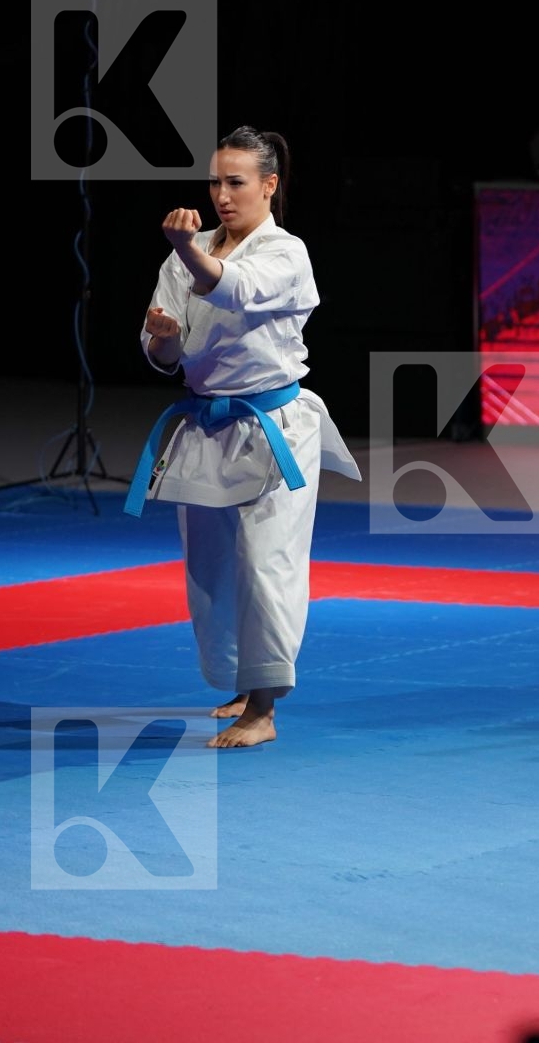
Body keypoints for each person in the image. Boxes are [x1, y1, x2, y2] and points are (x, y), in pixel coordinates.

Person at [128, 126, 362, 749]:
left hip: (273, 426)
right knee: (211, 569)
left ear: (269, 185)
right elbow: (162, 350)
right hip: (206, 426)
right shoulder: (189, 251)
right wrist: (164, 340)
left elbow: (234, 289)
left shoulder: (285, 252)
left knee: (267, 564)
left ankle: (263, 709)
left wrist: (186, 250)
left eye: (236, 182)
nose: (222, 195)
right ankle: (240, 683)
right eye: (214, 182)